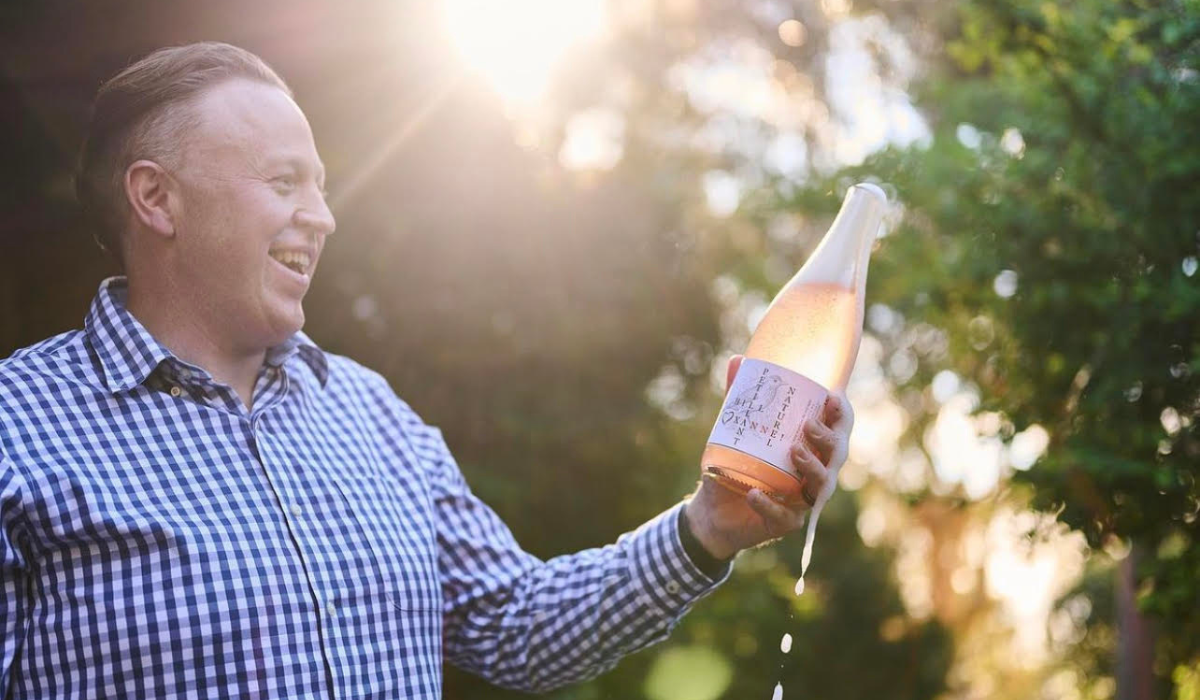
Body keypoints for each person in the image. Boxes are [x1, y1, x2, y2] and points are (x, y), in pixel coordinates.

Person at [0, 42, 853, 698]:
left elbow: (516, 626)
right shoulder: (20, 429)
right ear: (157, 199)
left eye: (323, 186)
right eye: (284, 181)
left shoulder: (371, 415)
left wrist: (708, 526)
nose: (323, 218)